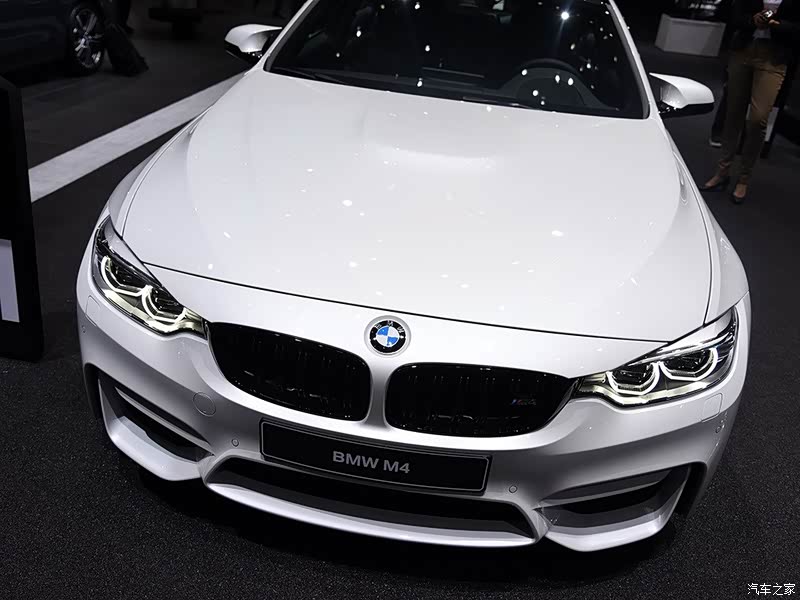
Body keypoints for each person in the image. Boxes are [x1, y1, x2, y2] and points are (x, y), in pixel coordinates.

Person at [701, 0, 800, 204]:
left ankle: (744, 178)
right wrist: (752, 20)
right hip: (743, 50)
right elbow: (733, 14)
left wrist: (778, 25)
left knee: (758, 119)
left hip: (774, 57)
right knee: (733, 114)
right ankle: (722, 171)